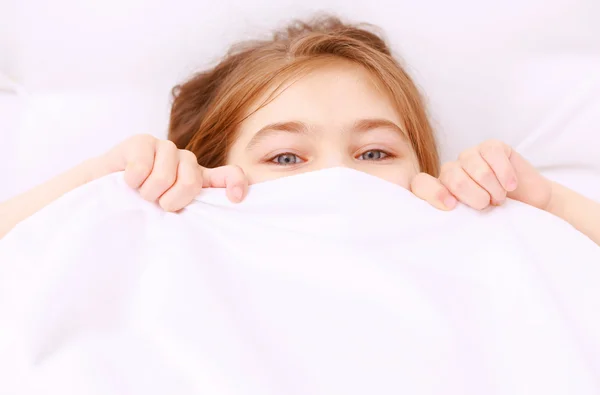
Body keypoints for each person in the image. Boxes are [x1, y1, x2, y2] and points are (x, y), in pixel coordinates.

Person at [0, 16, 598, 245]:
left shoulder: (471, 234)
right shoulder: (177, 234)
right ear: (210, 173)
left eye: (374, 151)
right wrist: (102, 183)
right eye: (286, 158)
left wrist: (545, 201)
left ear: (424, 170)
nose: (338, 176)